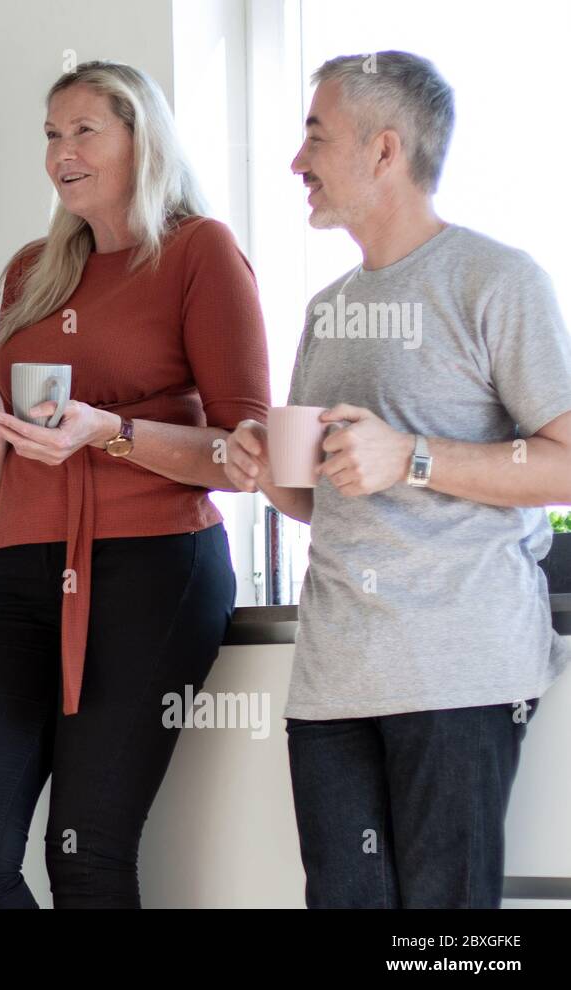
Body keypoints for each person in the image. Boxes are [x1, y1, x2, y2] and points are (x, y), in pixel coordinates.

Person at [0, 60, 270, 907]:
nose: (62, 152)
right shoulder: (31, 271)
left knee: (87, 850)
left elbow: (248, 453)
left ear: (140, 138)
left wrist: (110, 432)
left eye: (84, 131)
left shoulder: (199, 253)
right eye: (51, 133)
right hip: (20, 569)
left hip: (152, 568)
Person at [226, 51, 571, 908]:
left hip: (458, 672)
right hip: (334, 678)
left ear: (385, 151)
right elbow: (321, 497)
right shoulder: (326, 308)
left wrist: (412, 454)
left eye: (315, 136)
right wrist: (266, 472)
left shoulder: (497, 280)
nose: (296, 162)